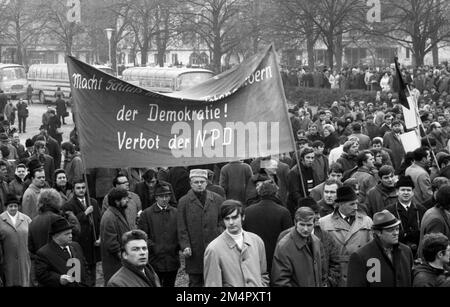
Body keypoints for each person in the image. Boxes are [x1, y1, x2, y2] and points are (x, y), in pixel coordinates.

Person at [204, 200, 269, 287]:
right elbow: (212, 284)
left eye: (234, 217)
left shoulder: (257, 241)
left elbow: (263, 274)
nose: (231, 222)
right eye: (227, 218)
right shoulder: (213, 249)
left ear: (243, 217)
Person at [177, 169, 224, 287]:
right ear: (190, 183)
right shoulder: (184, 202)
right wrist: (185, 246)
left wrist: (220, 236)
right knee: (195, 281)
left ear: (207, 182)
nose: (199, 184)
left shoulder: (217, 199)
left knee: (214, 280)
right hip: (194, 249)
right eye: (196, 182)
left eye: (202, 181)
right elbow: (181, 226)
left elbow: (222, 221)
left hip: (214, 246)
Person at [319, 186, 373, 286]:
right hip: (337, 276)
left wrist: (375, 280)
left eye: (357, 203)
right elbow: (320, 256)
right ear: (340, 204)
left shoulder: (367, 221)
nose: (356, 207)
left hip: (361, 273)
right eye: (352, 204)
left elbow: (374, 253)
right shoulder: (324, 223)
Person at [347, 210, 414, 287]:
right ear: (378, 232)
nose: (396, 233)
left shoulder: (406, 251)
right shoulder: (360, 256)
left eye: (397, 229)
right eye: (390, 230)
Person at [243, 180, 292, 274]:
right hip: (277, 259)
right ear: (275, 193)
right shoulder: (283, 212)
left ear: (259, 193)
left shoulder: (248, 211)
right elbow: (288, 239)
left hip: (254, 258)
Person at [271, 206, 328, 287]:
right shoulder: (284, 246)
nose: (305, 229)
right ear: (295, 223)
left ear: (314, 224)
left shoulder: (316, 241)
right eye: (302, 224)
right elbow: (281, 281)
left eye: (309, 225)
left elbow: (322, 272)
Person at [138, 182, 179, 287]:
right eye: (161, 196)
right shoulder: (146, 214)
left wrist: (176, 247)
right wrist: (154, 248)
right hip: (154, 260)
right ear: (156, 198)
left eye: (167, 196)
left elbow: (180, 233)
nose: (164, 199)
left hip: (172, 260)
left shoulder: (176, 213)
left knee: (170, 284)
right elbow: (143, 236)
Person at [62, 179, 101, 286]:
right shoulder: (68, 205)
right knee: (79, 272)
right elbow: (71, 224)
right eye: (78, 188)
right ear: (74, 190)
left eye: (83, 188)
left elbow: (99, 220)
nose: (81, 190)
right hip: (79, 243)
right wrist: (85, 213)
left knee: (92, 270)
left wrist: (100, 237)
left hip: (93, 242)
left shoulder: (93, 202)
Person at [35, 216, 89, 287]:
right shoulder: (43, 253)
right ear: (56, 236)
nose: (70, 236)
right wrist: (59, 279)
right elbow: (42, 275)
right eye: (67, 234)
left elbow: (85, 267)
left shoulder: (76, 246)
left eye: (71, 233)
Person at [385, 175, 426, 258]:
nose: (406, 193)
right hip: (397, 253)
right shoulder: (389, 211)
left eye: (408, 190)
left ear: (413, 192)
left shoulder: (421, 210)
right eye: (403, 190)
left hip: (419, 254)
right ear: (397, 192)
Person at [100, 187, 131, 285]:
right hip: (115, 264)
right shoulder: (109, 217)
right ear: (117, 201)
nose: (127, 201)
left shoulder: (119, 212)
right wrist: (125, 259)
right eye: (125, 198)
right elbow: (112, 245)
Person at [0, 194, 32, 286]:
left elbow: (32, 238)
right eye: (11, 206)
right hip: (7, 259)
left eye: (15, 206)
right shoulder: (1, 220)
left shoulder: (26, 219)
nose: (13, 208)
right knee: (10, 281)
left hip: (24, 258)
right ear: (6, 207)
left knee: (24, 281)